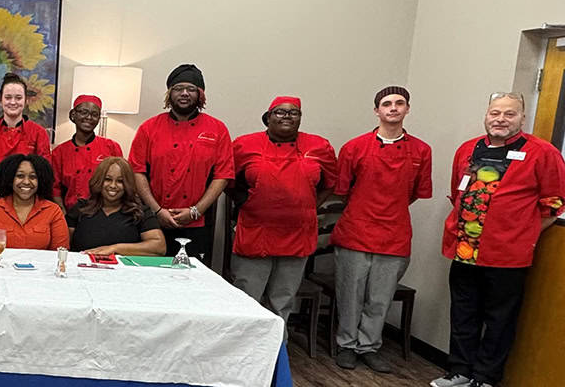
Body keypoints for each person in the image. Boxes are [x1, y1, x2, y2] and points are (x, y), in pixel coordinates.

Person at [429, 92, 565, 387]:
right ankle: (460, 371)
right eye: (495, 113)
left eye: (509, 114)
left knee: (499, 321)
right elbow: (457, 193)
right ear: (486, 115)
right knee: (463, 314)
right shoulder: (467, 149)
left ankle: (485, 378)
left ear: (522, 118)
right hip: (464, 250)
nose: (501, 119)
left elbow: (554, 205)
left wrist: (523, 234)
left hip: (507, 257)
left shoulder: (542, 153)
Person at [331, 86, 432, 373]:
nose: (393, 108)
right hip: (355, 231)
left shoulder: (421, 150)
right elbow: (343, 189)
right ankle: (346, 344)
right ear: (377, 110)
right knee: (350, 294)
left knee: (380, 297)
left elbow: (416, 192)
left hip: (394, 234)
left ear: (407, 109)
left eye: (400, 103)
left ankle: (369, 346)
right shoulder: (354, 147)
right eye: (387, 103)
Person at [228, 96, 336, 327]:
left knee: (283, 299)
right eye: (280, 112)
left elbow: (330, 182)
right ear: (268, 118)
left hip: (297, 233)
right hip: (256, 231)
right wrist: (247, 201)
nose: (287, 116)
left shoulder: (319, 146)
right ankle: (244, 344)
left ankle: (279, 344)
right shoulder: (244, 144)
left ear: (300, 118)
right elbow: (227, 180)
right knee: (247, 297)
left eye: (293, 112)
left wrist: (309, 206)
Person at [130, 64, 233, 266]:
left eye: (191, 89)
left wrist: (195, 211)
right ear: (169, 94)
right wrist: (157, 211)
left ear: (200, 95)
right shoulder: (149, 128)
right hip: (153, 222)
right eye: (178, 88)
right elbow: (137, 171)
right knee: (150, 274)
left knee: (191, 276)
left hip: (197, 222)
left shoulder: (217, 129)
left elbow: (223, 175)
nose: (184, 93)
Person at [0, 73, 51, 226]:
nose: (13, 102)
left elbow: (43, 173)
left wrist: (20, 196)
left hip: (27, 207)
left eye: (18, 98)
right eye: (8, 97)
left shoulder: (39, 133)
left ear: (25, 101)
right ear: (1, 101)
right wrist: (2, 193)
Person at [68, 157, 166, 255]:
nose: (113, 186)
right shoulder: (81, 208)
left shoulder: (140, 212)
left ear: (128, 184)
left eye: (120, 181)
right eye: (107, 179)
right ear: (98, 181)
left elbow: (159, 247)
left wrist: (115, 248)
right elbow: (63, 245)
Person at [0, 154, 69, 250]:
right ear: (9, 179)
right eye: (20, 176)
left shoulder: (53, 211)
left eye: (33, 177)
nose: (26, 182)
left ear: (41, 180)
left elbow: (60, 252)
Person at [50, 95, 123, 210]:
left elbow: (122, 183)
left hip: (103, 211)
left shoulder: (111, 147)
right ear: (73, 115)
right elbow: (55, 189)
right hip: (71, 212)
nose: (89, 117)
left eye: (94, 114)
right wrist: (63, 215)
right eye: (84, 112)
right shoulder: (59, 152)